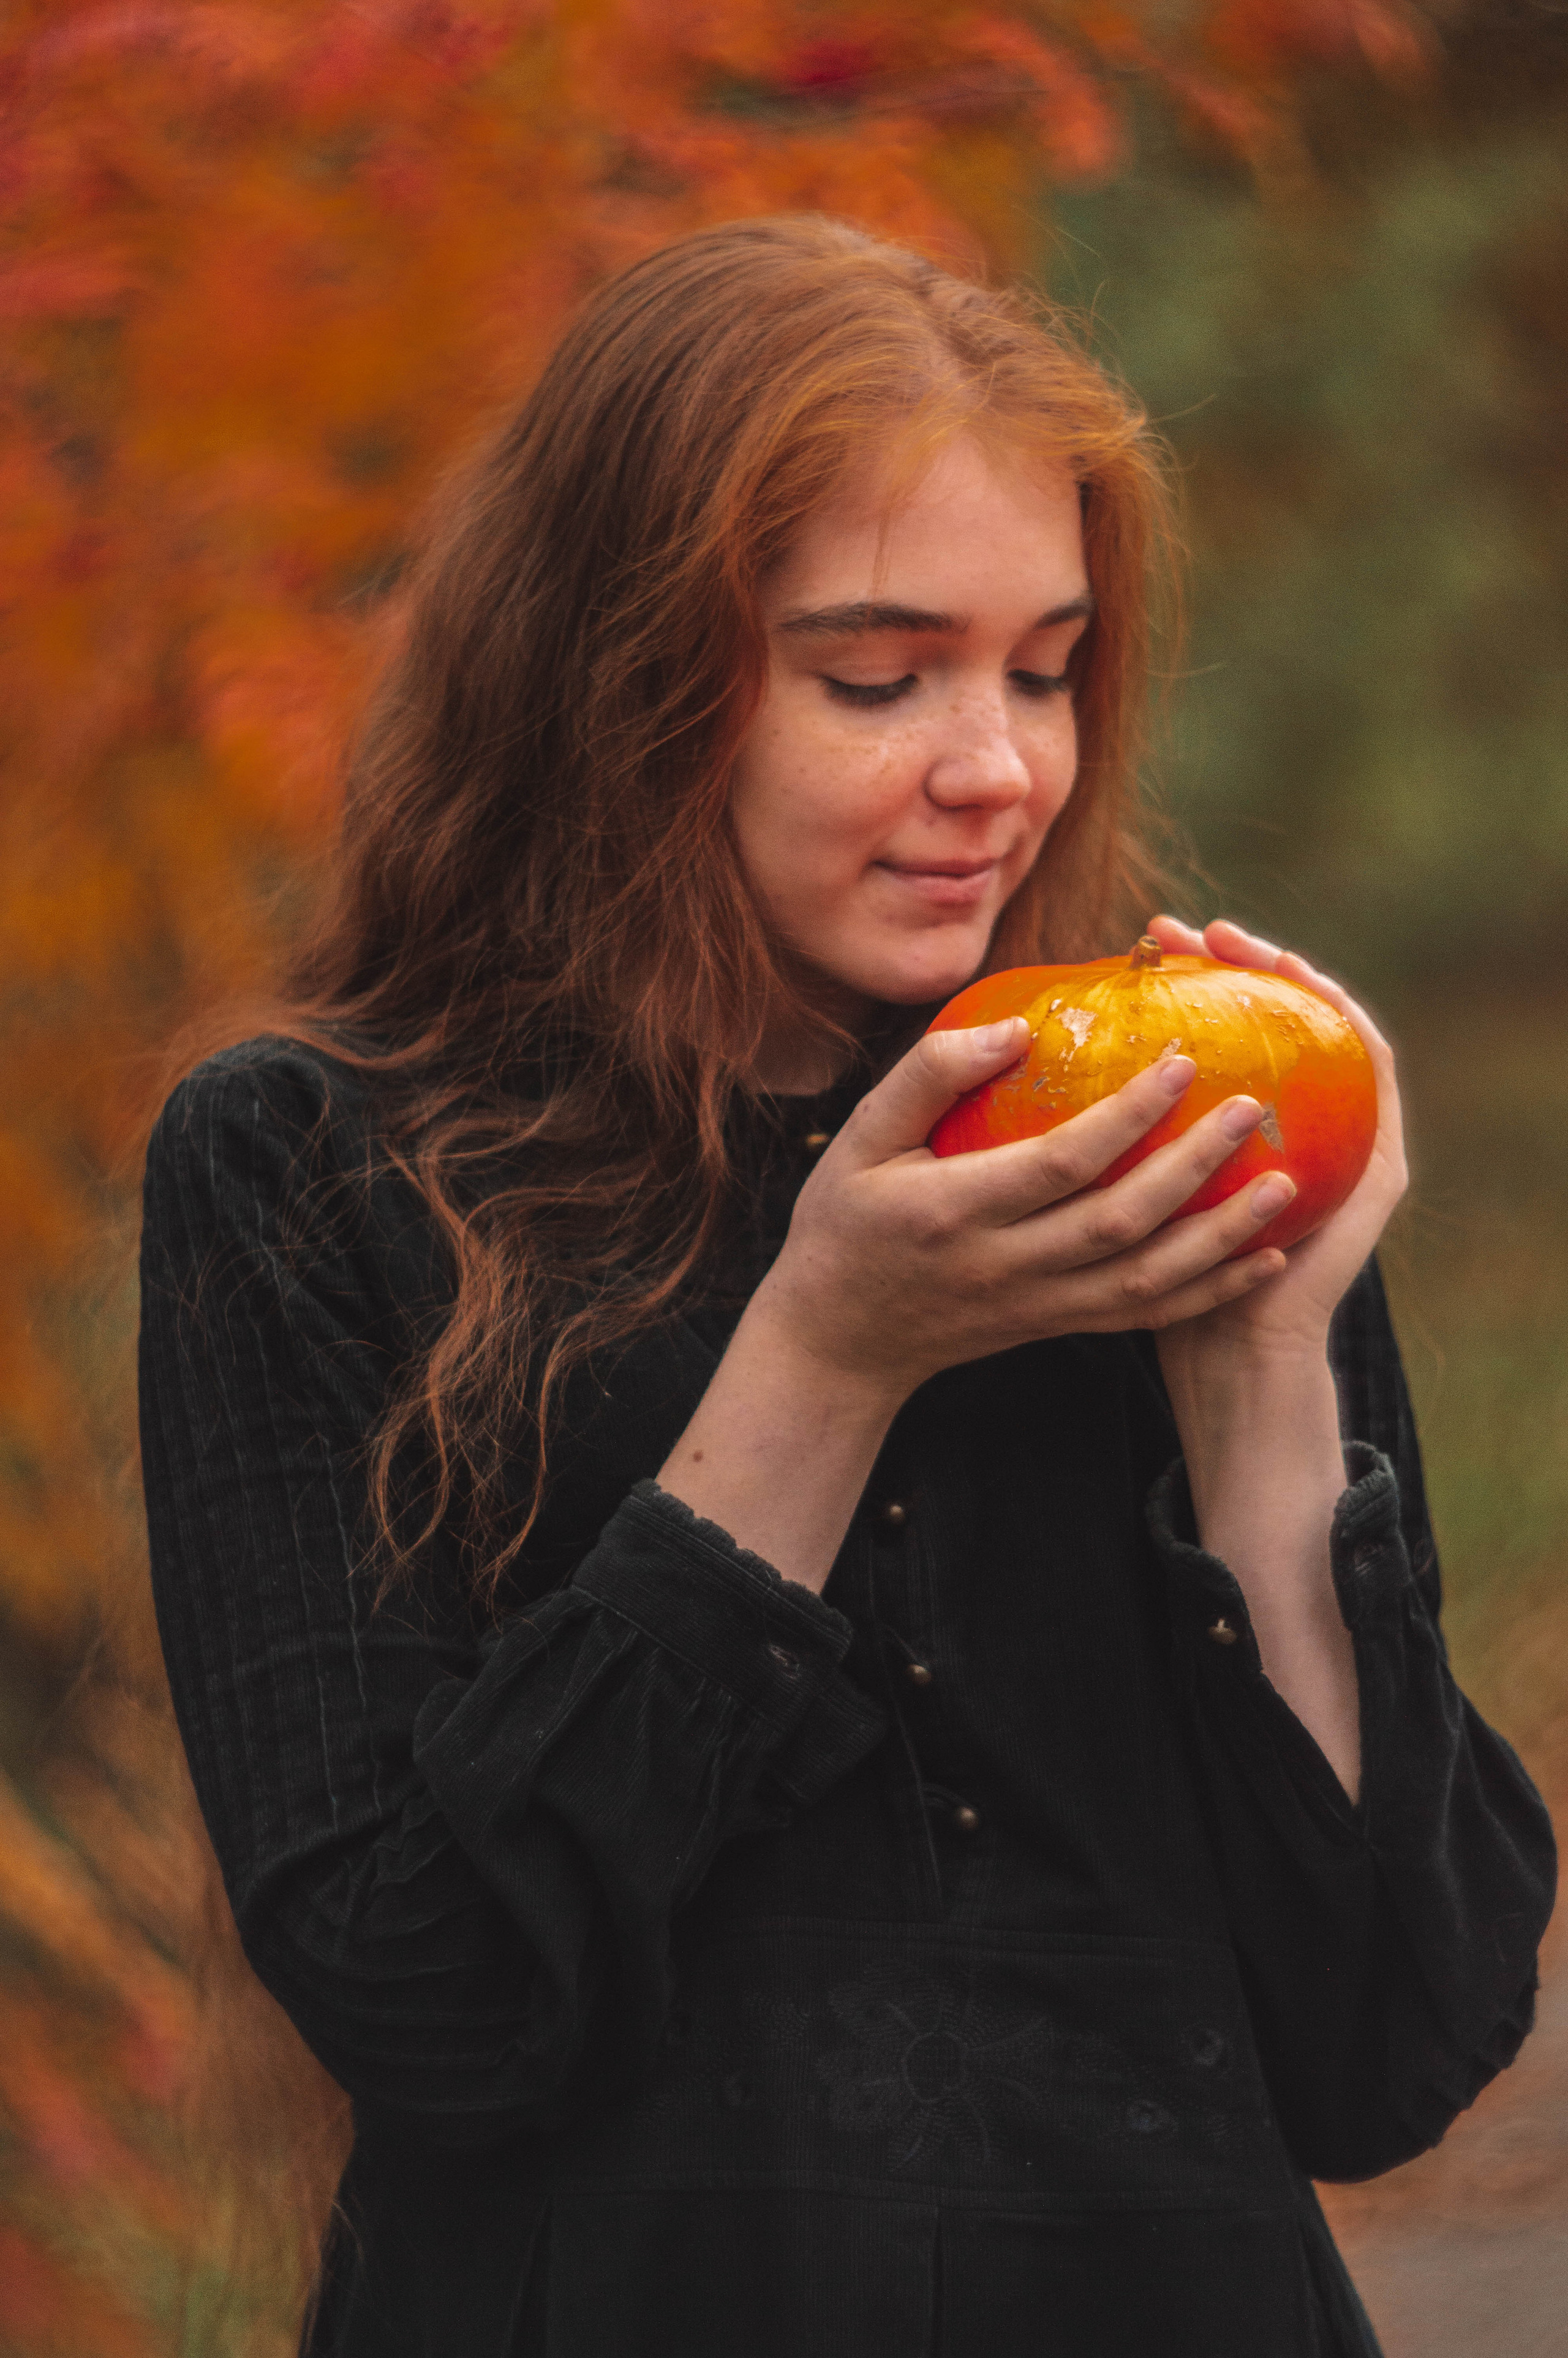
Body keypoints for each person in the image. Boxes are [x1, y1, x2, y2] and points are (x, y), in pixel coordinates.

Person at [137, 216, 1555, 2358]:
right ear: (618, 681)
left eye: (1047, 668)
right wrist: (823, 1353)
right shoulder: (309, 1166)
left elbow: (1390, 2045)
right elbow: (433, 1999)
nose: (997, 768)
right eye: (877, 679)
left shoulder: (1156, 1130)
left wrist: (1258, 1352)